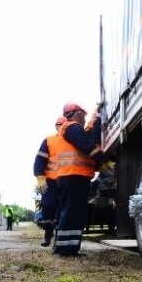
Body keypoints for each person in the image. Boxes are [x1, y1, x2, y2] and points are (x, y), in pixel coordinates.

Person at [54, 102, 106, 257]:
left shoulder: (74, 129)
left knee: (73, 213)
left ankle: (68, 249)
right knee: (72, 213)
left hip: (74, 177)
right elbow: (87, 144)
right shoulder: (71, 127)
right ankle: (65, 250)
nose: (84, 118)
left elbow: (88, 132)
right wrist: (103, 159)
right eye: (83, 115)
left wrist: (96, 113)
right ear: (78, 114)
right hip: (73, 176)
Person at [34, 116, 66, 246]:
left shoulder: (72, 142)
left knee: (62, 209)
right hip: (50, 182)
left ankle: (59, 238)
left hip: (66, 181)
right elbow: (39, 161)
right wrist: (40, 178)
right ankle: (48, 234)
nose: (62, 128)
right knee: (48, 205)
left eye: (64, 125)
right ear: (56, 127)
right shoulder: (49, 141)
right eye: (60, 125)